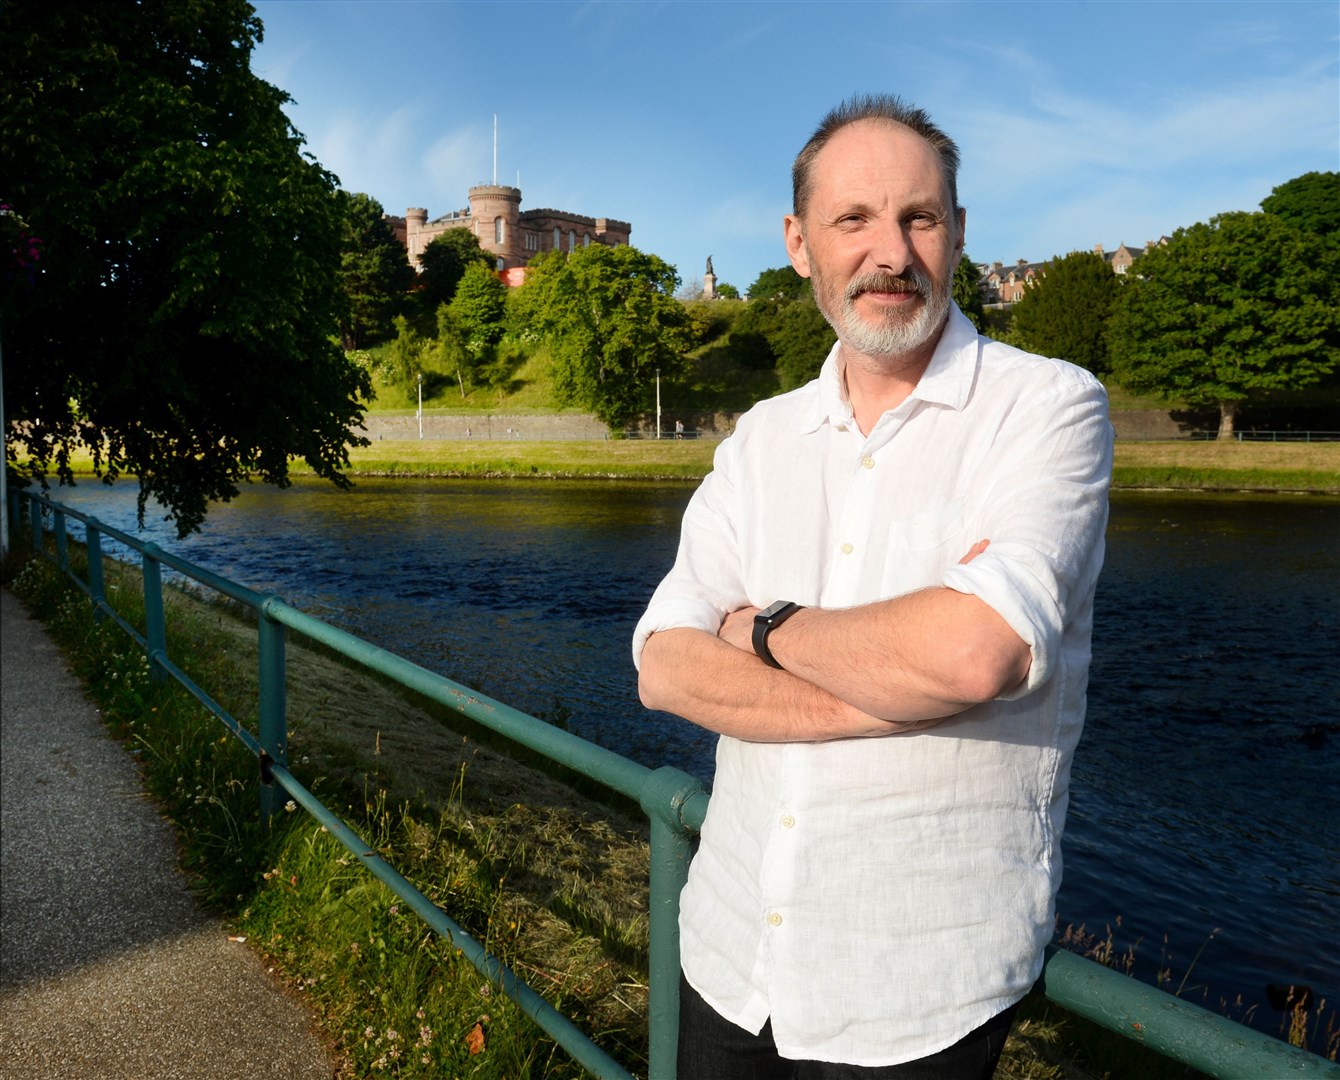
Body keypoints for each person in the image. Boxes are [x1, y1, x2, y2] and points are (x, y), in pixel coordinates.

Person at [632, 94, 1112, 1079]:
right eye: (852, 219)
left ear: (958, 233)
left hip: (918, 994)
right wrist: (904, 693)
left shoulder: (1045, 407)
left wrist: (764, 629)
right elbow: (662, 670)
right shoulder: (761, 437)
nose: (889, 252)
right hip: (728, 961)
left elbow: (974, 652)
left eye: (918, 218)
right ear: (798, 242)